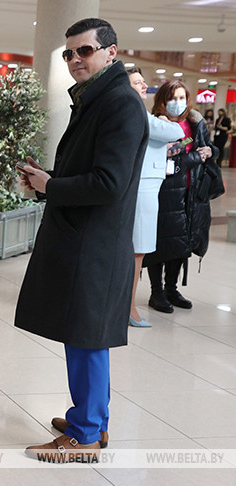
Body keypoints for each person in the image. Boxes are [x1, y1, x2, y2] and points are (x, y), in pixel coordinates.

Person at [15, 18, 148, 463]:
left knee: (87, 337)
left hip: (96, 243)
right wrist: (48, 180)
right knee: (86, 335)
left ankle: (86, 433)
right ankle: (94, 419)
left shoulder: (120, 104)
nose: (75, 60)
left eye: (85, 51)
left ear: (111, 52)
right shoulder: (98, 100)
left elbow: (109, 183)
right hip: (87, 238)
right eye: (69, 53)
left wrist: (51, 186)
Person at [143, 80, 216, 313]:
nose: (178, 103)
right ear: (162, 101)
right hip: (164, 190)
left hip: (190, 192)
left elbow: (205, 150)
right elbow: (164, 162)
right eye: (173, 98)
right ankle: (157, 292)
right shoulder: (156, 125)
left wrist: (209, 151)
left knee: (181, 241)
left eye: (182, 98)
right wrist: (195, 158)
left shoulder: (195, 124)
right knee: (160, 242)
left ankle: (172, 289)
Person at [125, 67, 184, 328]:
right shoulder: (136, 112)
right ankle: (128, 309)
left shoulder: (138, 114)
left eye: (143, 81)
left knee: (138, 251)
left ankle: (127, 307)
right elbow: (174, 132)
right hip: (143, 189)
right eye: (137, 82)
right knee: (138, 251)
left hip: (148, 186)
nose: (143, 85)